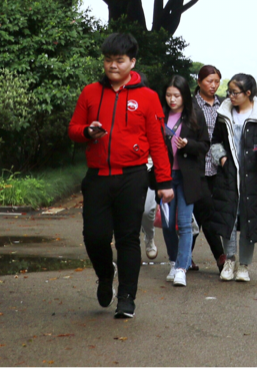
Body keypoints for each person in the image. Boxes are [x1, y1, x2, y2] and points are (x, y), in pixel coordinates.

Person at [67, 32, 173, 320]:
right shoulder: (90, 92)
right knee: (94, 236)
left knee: (128, 238)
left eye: (119, 60)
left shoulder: (148, 98)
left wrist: (164, 182)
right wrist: (88, 131)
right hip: (98, 176)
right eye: (108, 60)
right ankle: (104, 275)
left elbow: (158, 142)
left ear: (132, 62)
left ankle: (127, 298)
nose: (112, 66)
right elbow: (73, 128)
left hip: (133, 176)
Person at [209, 73, 257, 282]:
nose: (231, 96)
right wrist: (222, 160)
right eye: (229, 92)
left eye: (235, 92)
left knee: (249, 219)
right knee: (229, 216)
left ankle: (244, 265)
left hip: (254, 174)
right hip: (229, 173)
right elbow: (215, 141)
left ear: (248, 93)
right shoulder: (224, 113)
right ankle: (229, 260)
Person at [159, 76, 212, 287]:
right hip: (165, 177)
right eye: (169, 95)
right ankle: (174, 261)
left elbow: (204, 145)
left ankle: (182, 267)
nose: (172, 99)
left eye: (177, 95)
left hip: (187, 176)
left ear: (184, 96)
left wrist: (188, 144)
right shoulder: (160, 116)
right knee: (167, 223)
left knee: (184, 223)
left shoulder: (194, 116)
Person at [191, 65, 227, 272]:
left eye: (216, 82)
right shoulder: (191, 105)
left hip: (217, 166)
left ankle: (184, 256)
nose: (213, 86)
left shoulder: (224, 104)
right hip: (195, 166)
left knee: (199, 212)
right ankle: (220, 256)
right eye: (209, 81)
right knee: (206, 211)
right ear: (199, 82)